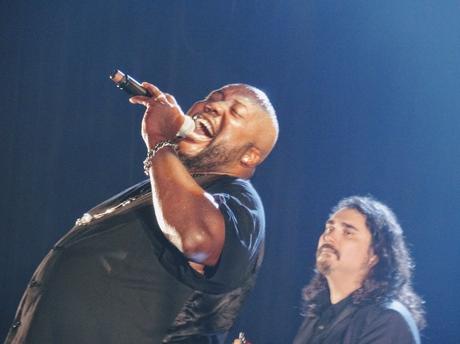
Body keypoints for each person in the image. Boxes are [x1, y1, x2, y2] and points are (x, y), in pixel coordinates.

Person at [5, 82, 278, 344]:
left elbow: (197, 238)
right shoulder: (163, 188)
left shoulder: (241, 200)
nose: (213, 107)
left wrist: (159, 141)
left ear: (251, 156)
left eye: (235, 111)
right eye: (213, 98)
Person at [293, 196, 425, 344]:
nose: (328, 237)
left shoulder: (387, 319)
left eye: (348, 233)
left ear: (374, 255)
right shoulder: (317, 315)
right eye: (330, 228)